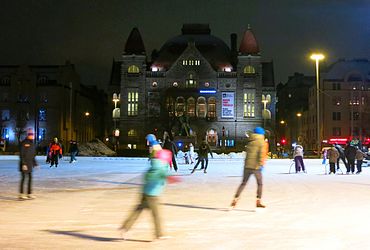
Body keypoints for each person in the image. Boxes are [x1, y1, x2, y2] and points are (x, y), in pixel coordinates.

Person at [119, 149, 174, 240]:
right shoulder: (160, 167)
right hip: (152, 195)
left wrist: (165, 178)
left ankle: (125, 228)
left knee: (138, 211)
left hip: (146, 192)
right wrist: (166, 177)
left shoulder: (156, 165)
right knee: (156, 214)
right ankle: (159, 234)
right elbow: (153, 176)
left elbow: (148, 176)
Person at [230, 127, 267, 209]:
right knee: (260, 183)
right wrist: (261, 165)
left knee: (243, 183)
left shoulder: (250, 141)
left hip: (247, 166)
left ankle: (235, 199)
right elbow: (261, 154)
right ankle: (258, 201)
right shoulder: (261, 142)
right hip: (256, 167)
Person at [19, 131, 38, 200]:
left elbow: (33, 155)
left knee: (30, 179)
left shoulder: (32, 144)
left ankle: (29, 193)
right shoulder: (24, 143)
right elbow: (21, 154)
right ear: (28, 136)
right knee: (23, 179)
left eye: (33, 135)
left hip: (30, 164)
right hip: (24, 164)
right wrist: (23, 164)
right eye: (31, 135)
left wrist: (35, 164)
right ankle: (21, 194)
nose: (32, 136)